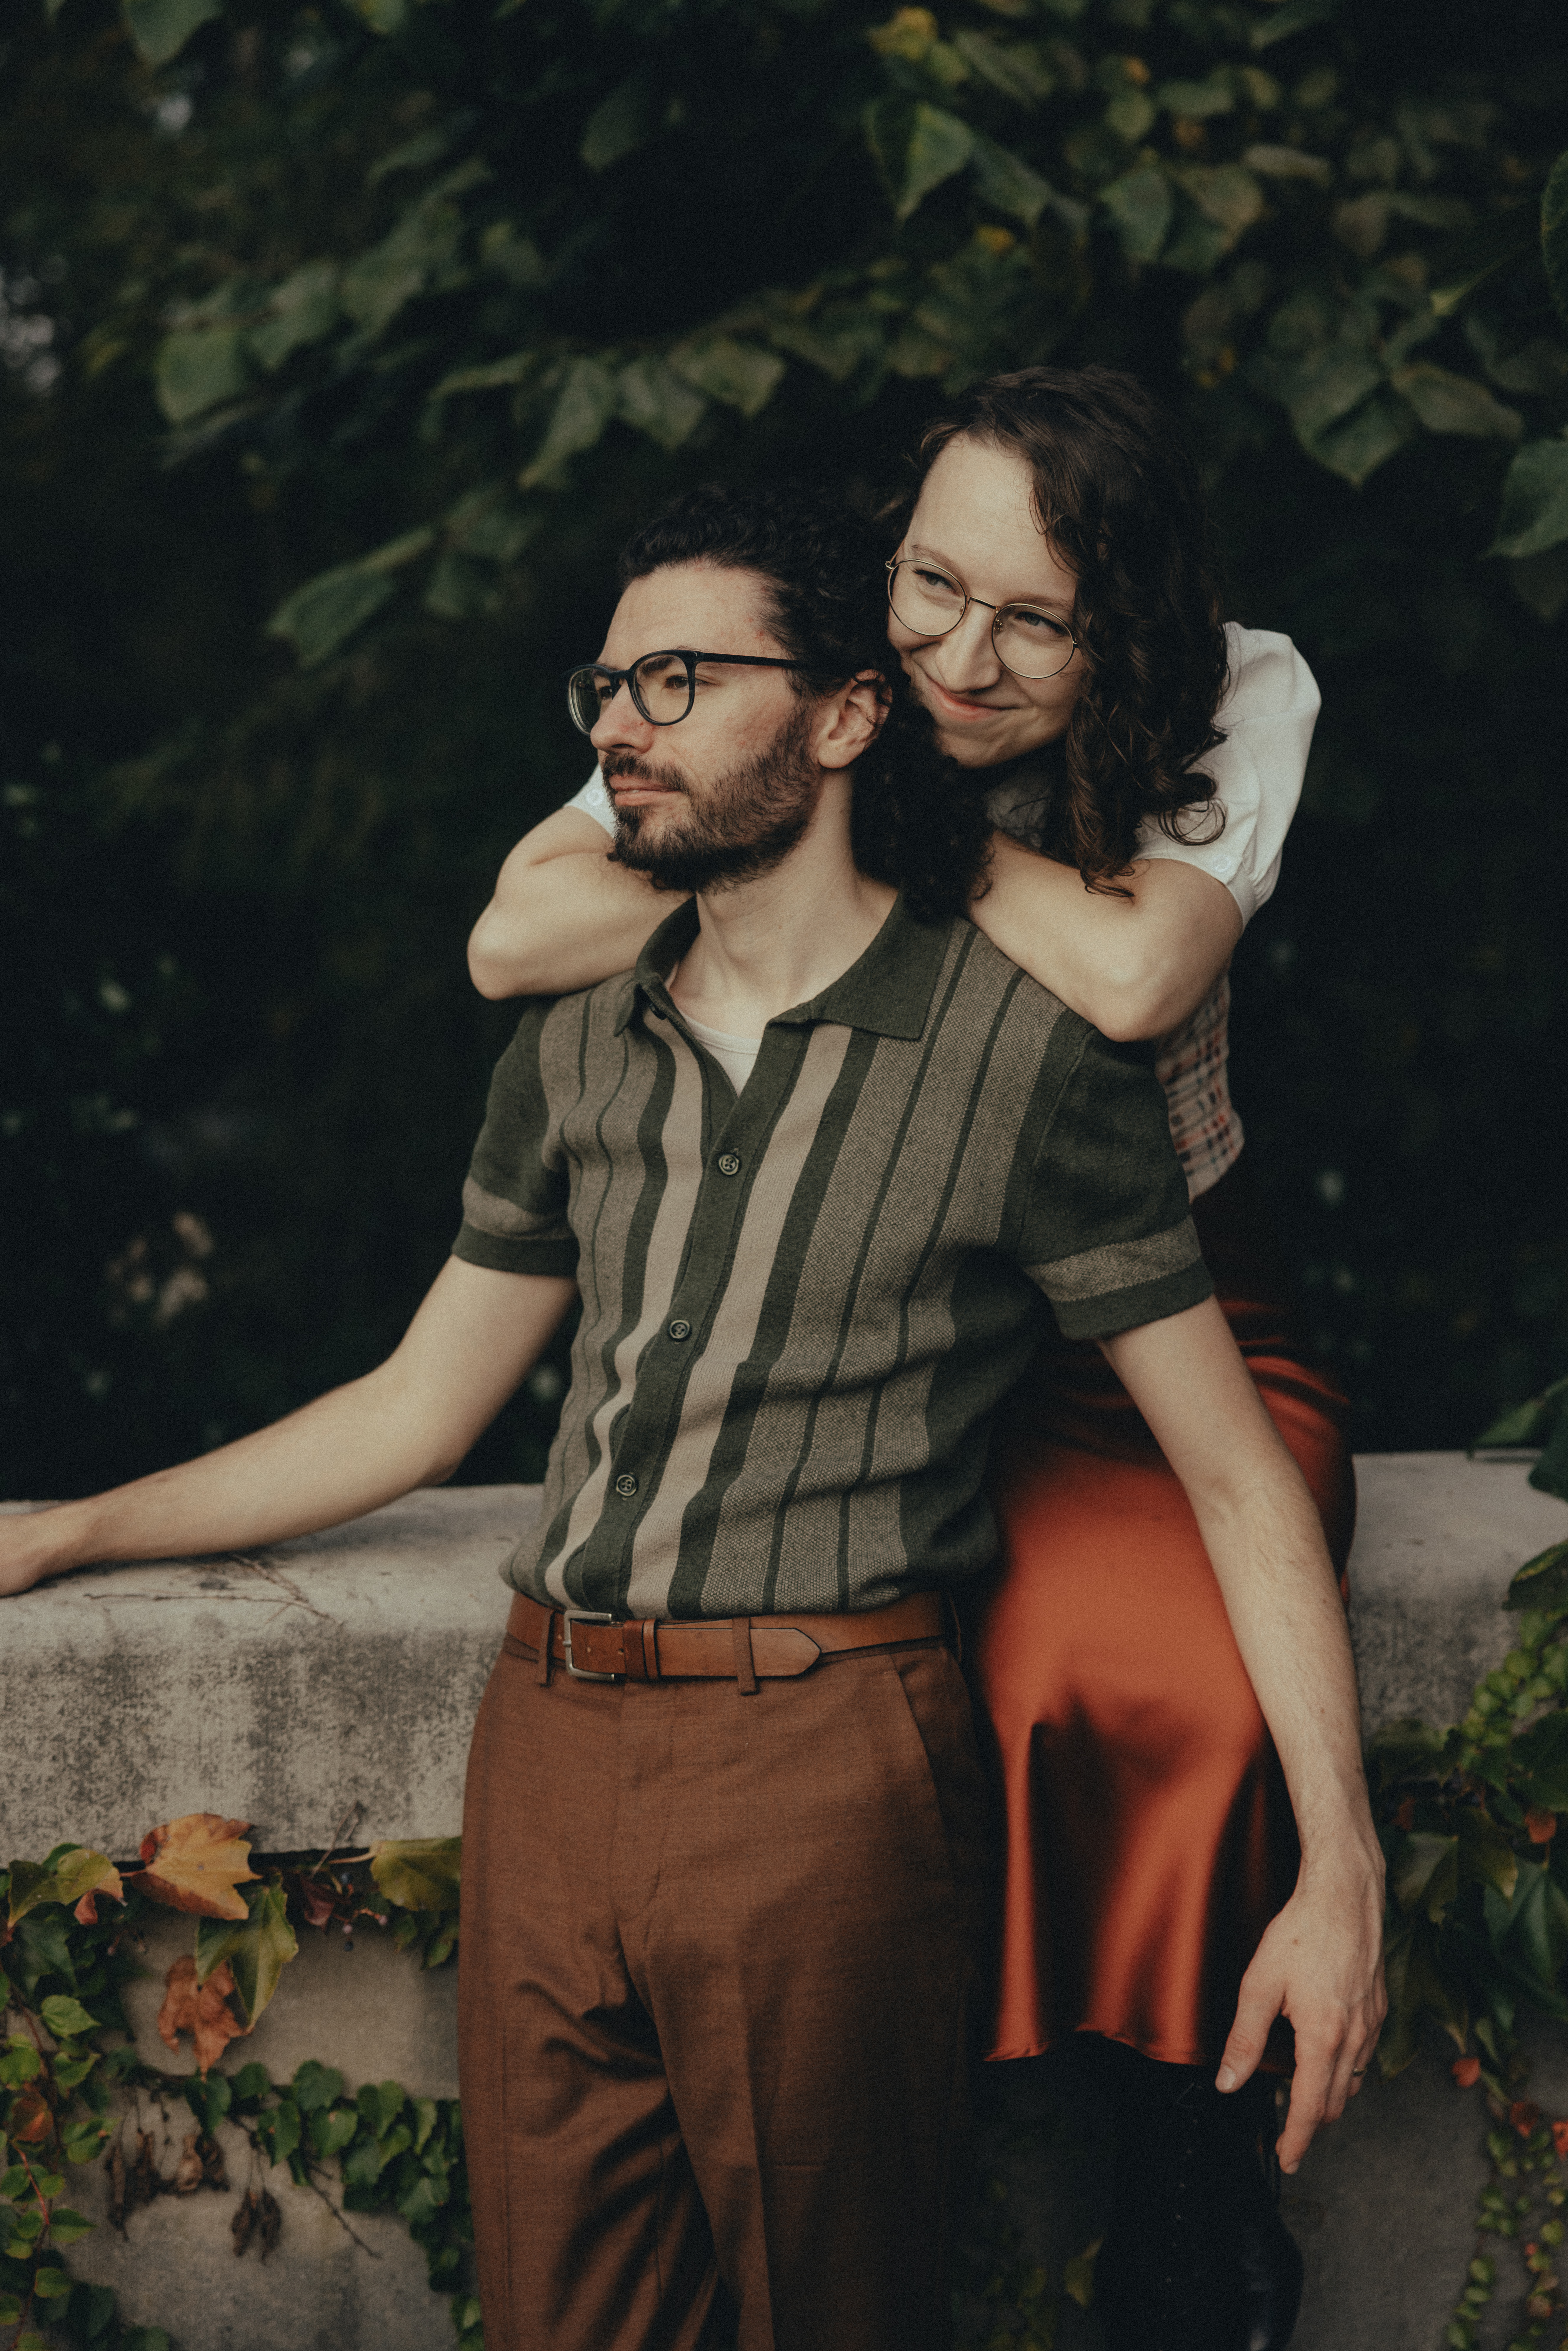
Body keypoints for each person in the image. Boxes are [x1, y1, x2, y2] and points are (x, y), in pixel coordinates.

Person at [0, 481, 1383, 2351]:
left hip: (818, 1761)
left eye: (673, 679)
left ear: (837, 718)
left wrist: (1334, 1868)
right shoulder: (582, 1036)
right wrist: (71, 1529)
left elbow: (1230, 1478)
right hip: (544, 1739)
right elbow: (415, 1404)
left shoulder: (1025, 1058)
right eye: (607, 680)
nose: (613, 726)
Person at [466, 369, 1367, 2351]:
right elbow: (516, 937)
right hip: (910, 1296)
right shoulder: (804, 665)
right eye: (929, 589)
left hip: (1163, 1302)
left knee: (1163, 1689)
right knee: (950, 1669)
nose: (959, 653)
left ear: (1125, 629)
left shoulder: (1245, 687)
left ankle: (1188, 2206)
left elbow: (1137, 972)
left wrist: (900, 834)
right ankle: (889, 2097)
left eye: (1032, 621)